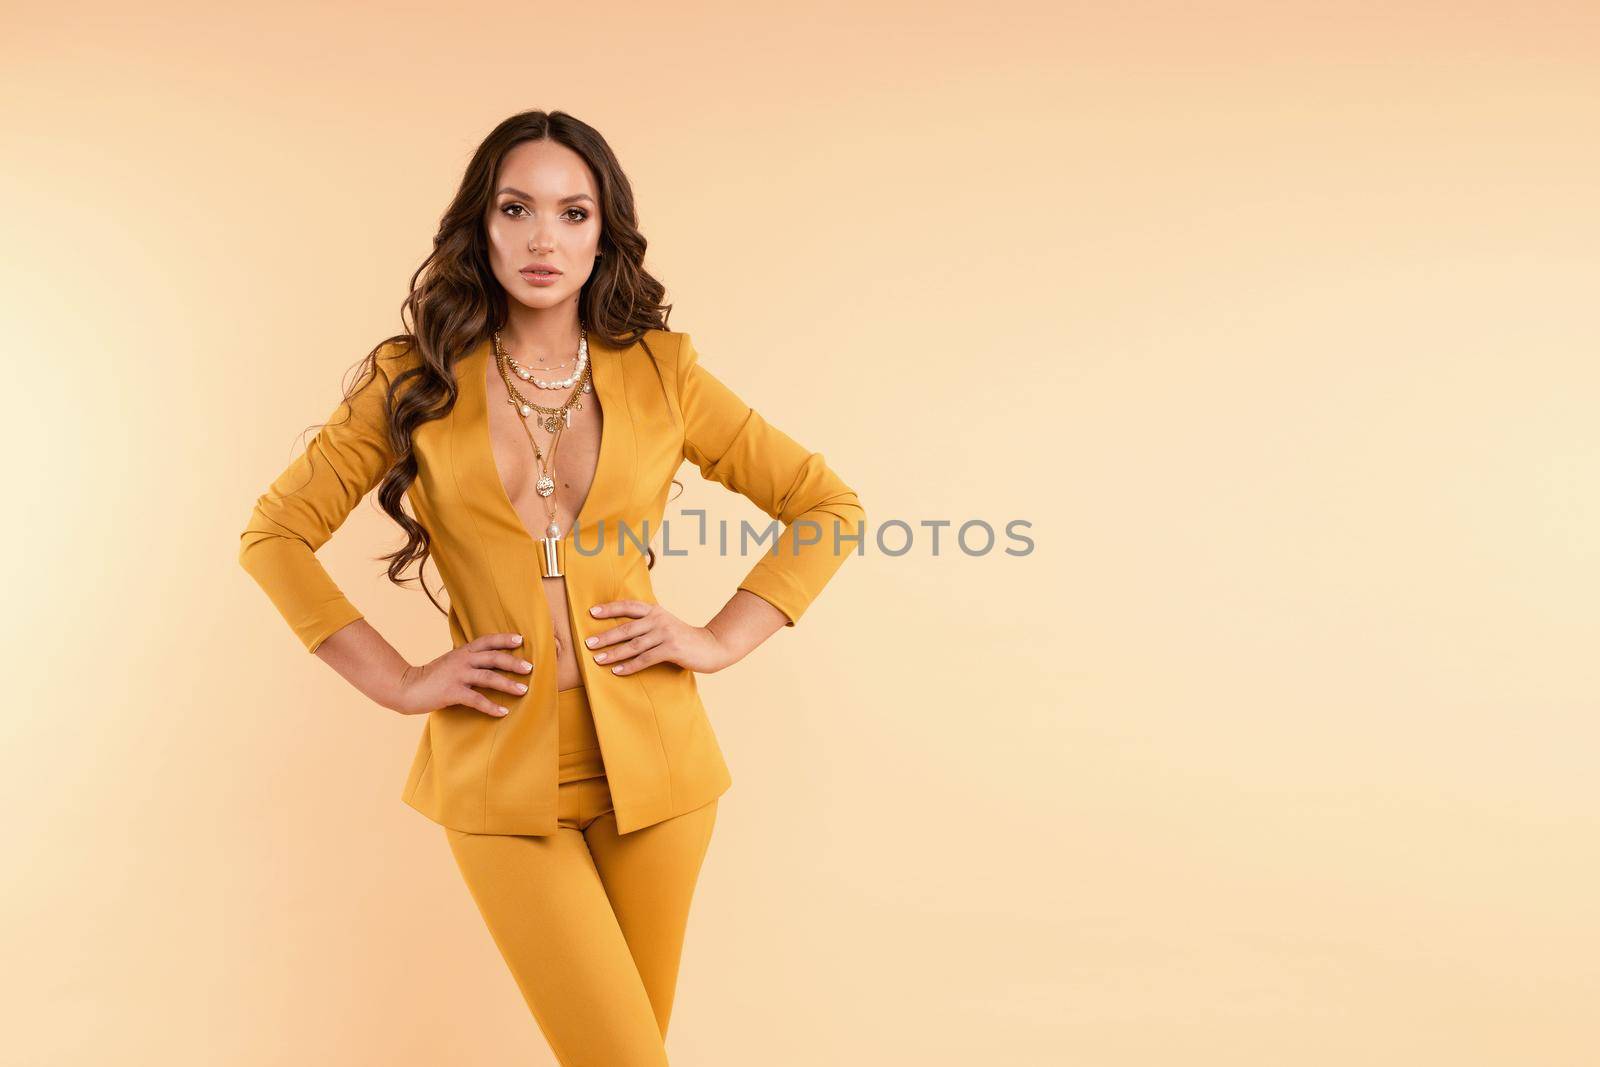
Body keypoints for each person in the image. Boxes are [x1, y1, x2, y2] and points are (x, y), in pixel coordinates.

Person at [236, 109, 866, 1065]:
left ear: (604, 232)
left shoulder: (664, 370)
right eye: (516, 207)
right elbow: (274, 534)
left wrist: (722, 637)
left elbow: (824, 503)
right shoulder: (414, 379)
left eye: (574, 213)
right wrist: (402, 681)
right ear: (477, 226)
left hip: (660, 774)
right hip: (497, 771)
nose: (543, 238)